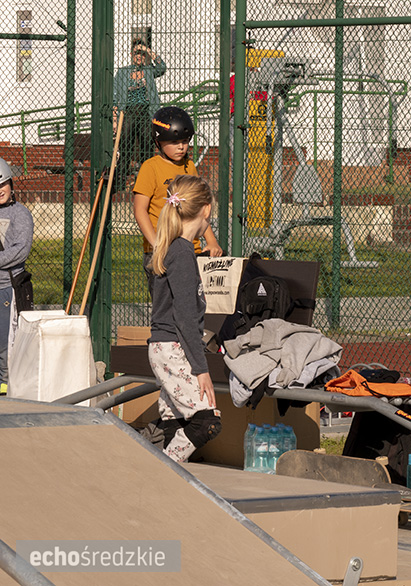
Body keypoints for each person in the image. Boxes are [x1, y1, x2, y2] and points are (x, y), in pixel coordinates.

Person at [148, 174, 221, 462]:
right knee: (207, 420)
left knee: (176, 422)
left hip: (165, 347)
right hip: (173, 348)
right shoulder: (182, 251)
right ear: (207, 209)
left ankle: (168, 472)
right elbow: (185, 316)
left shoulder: (173, 247)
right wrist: (201, 369)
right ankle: (163, 468)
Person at [133, 106, 222, 295]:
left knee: (191, 305)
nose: (181, 147)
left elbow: (198, 209)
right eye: (174, 142)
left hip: (191, 250)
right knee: (165, 308)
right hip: (160, 250)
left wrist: (211, 241)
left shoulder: (189, 167)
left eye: (184, 141)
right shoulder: (151, 168)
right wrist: (156, 244)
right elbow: (140, 210)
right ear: (159, 142)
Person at [113, 38, 167, 191]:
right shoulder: (123, 72)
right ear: (131, 54)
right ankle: (120, 183)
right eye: (137, 53)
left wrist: (149, 50)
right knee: (125, 146)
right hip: (128, 112)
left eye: (142, 54)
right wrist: (116, 117)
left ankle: (146, 182)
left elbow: (162, 67)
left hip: (145, 112)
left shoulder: (149, 71)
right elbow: (115, 95)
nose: (140, 56)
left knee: (146, 146)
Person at [0, 158, 34, 395]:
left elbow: (20, 250)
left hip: (9, 289)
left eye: (3, 185)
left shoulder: (20, 214)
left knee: (6, 343)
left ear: (11, 184)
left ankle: (6, 387)